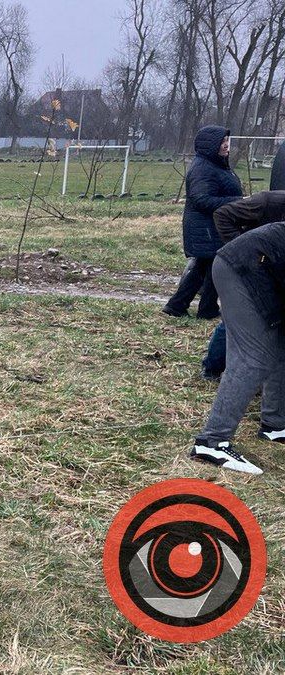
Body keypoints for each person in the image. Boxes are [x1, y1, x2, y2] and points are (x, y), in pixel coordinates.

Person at [190, 219, 285, 475]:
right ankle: (212, 442)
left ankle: (275, 425)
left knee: (279, 348)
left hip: (261, 268)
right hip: (244, 267)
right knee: (253, 358)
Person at [199, 190, 285, 380]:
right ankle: (212, 368)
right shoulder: (266, 201)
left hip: (271, 268)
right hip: (244, 264)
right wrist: (242, 250)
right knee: (237, 317)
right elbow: (222, 215)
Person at [162, 126, 243, 319]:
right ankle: (202, 309)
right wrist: (238, 202)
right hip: (205, 227)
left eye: (227, 141)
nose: (226, 145)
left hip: (212, 226)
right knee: (212, 267)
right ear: (211, 145)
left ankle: (180, 306)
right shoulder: (203, 168)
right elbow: (202, 200)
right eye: (222, 142)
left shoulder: (216, 164)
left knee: (205, 268)